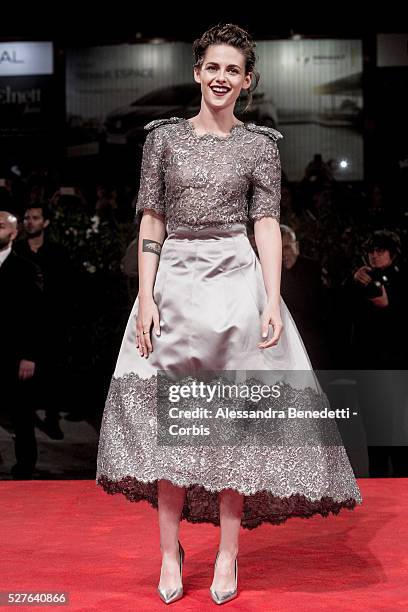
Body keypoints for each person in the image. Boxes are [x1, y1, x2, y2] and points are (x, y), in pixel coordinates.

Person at [96, 23, 362, 604]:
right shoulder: (162, 139)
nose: (221, 78)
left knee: (235, 426)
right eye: (212, 67)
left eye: (232, 70)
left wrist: (271, 298)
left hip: (236, 284)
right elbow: (151, 221)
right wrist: (145, 298)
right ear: (197, 72)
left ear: (247, 80)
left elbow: (265, 224)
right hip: (174, 289)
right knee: (171, 429)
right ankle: (169, 552)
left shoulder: (260, 145)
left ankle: (227, 554)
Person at [0, 210, 43, 478]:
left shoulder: (26, 269)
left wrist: (30, 355)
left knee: (21, 414)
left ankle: (25, 467)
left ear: (14, 234)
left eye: (1, 225)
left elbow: (36, 317)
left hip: (14, 354)